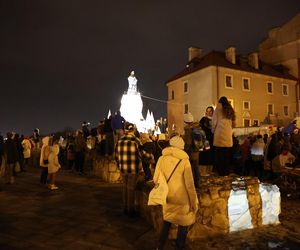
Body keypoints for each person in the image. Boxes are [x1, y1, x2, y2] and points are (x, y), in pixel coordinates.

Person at [154, 135, 198, 250]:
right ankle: (179, 246)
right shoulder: (184, 161)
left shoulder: (161, 159)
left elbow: (156, 179)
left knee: (167, 222)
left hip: (167, 197)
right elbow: (190, 185)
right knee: (183, 224)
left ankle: (160, 246)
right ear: (181, 147)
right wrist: (194, 202)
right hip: (182, 200)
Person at [115, 123, 150, 217]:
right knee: (131, 189)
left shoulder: (120, 140)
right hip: (133, 168)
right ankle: (130, 210)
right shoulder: (136, 140)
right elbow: (143, 153)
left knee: (125, 188)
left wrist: (120, 165)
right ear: (133, 130)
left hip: (123, 169)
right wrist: (150, 157)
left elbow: (116, 156)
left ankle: (125, 208)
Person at [211, 96, 236, 176]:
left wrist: (212, 131)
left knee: (220, 157)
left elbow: (214, 123)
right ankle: (226, 173)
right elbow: (234, 124)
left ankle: (221, 173)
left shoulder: (217, 110)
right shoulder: (230, 111)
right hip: (228, 137)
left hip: (219, 137)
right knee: (227, 157)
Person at [183, 112, 201, 188]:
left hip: (190, 151)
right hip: (196, 150)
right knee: (196, 167)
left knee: (190, 168)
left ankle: (192, 184)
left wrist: (185, 149)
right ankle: (197, 183)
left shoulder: (187, 130)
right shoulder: (197, 128)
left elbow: (188, 142)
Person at [199, 106, 214, 175]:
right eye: (207, 111)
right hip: (204, 141)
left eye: (210, 111)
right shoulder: (203, 119)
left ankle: (209, 172)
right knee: (204, 156)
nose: (209, 113)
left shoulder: (214, 120)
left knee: (210, 157)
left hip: (212, 141)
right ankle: (203, 172)